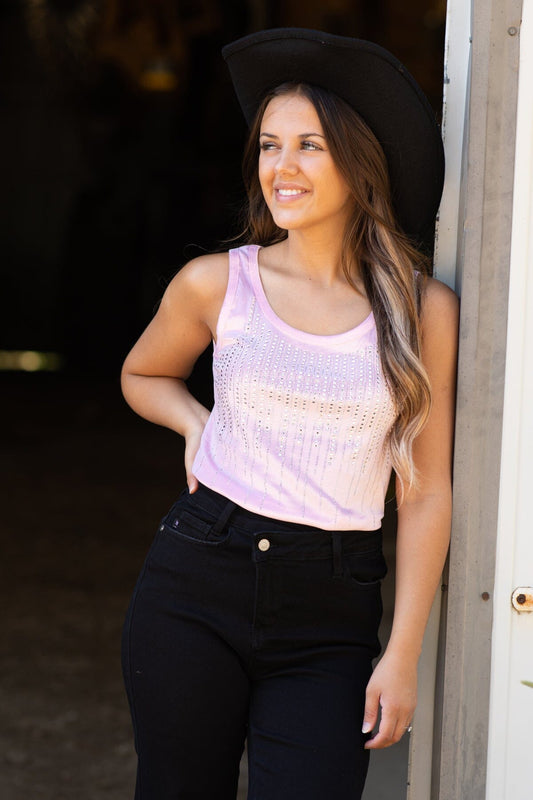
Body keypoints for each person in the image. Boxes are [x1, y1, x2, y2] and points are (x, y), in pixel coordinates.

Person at [120, 28, 459, 800]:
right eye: (269, 146)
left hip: (330, 606)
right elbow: (143, 373)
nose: (282, 166)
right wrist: (196, 423)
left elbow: (426, 488)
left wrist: (400, 652)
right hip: (196, 578)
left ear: (358, 158)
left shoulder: (421, 309)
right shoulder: (216, 282)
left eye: (308, 145)